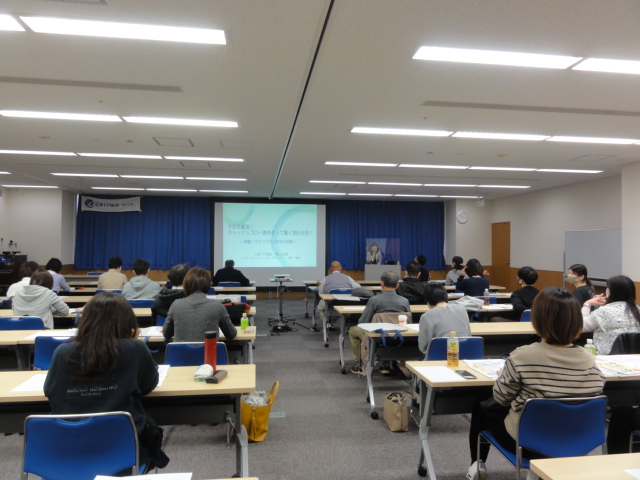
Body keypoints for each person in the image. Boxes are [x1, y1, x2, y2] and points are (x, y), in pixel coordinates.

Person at [466, 287, 605, 480]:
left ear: (537, 319)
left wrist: (504, 375)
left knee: (482, 403)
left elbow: (501, 398)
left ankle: (477, 464)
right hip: (578, 439)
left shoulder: (522, 355)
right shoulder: (589, 358)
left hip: (528, 443)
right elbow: (597, 388)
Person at [44, 292, 168, 471]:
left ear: (86, 320)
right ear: (127, 321)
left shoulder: (63, 351)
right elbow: (148, 385)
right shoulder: (135, 348)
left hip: (68, 445)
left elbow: (51, 391)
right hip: (122, 446)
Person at [348, 271, 410, 375]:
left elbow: (363, 322)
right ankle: (385, 364)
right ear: (397, 285)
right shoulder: (405, 301)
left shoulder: (374, 300)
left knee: (352, 331)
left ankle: (360, 363)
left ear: (381, 284)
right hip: (398, 337)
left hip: (377, 337)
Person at [163, 267, 237, 342]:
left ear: (186, 284)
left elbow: (166, 334)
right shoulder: (218, 306)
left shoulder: (176, 305)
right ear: (208, 285)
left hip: (180, 350)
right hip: (209, 349)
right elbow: (231, 334)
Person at [581, 275, 640, 354]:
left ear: (609, 292)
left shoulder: (603, 312)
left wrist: (587, 304)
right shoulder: (637, 310)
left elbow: (582, 326)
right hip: (634, 357)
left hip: (607, 357)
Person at [418, 283, 470, 355]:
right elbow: (468, 334)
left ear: (427, 299)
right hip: (468, 353)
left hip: (439, 356)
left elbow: (423, 347)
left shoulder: (426, 316)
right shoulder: (462, 309)